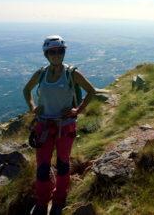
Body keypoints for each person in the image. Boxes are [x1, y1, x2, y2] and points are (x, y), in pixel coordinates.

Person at [23, 35, 97, 215]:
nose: (56, 54)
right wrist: (33, 107)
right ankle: (42, 201)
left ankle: (59, 200)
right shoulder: (41, 73)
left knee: (63, 164)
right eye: (52, 52)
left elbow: (91, 91)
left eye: (60, 51)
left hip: (66, 126)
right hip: (44, 126)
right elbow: (26, 90)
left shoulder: (71, 73)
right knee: (42, 166)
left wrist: (77, 110)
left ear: (63, 53)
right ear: (46, 54)